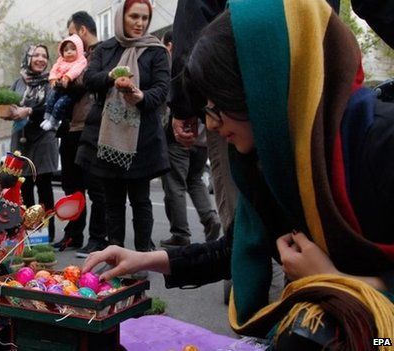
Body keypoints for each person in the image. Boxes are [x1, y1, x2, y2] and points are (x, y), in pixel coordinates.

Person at [85, 0, 394, 348]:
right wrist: (144, 259)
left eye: (218, 105)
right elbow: (231, 250)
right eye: (205, 109)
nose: (212, 124)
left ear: (267, 87)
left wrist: (332, 280)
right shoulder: (271, 159)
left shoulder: (380, 144)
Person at [77, 0, 170, 258]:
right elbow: (89, 80)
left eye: (144, 18)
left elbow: (162, 89)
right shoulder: (106, 49)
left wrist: (141, 97)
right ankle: (115, 256)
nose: (140, 24)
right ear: (121, 17)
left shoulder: (156, 51)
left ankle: (143, 254)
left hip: (142, 139)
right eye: (134, 17)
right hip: (107, 138)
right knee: (113, 202)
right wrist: (111, 77)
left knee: (141, 201)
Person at [52, 11, 108, 257]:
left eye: (72, 34)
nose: (69, 42)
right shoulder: (71, 58)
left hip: (92, 128)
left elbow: (86, 82)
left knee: (96, 187)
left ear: (82, 31)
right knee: (71, 186)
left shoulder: (104, 52)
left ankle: (98, 239)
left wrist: (65, 81)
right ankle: (74, 234)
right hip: (70, 128)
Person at [159, 30, 221, 248]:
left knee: (174, 182)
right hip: (204, 136)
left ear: (169, 45)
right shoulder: (206, 58)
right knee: (194, 179)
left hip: (181, 133)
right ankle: (210, 218)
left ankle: (180, 233)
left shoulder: (175, 65)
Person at [9, 45, 59, 242]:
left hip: (44, 140)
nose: (40, 59)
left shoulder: (51, 82)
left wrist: (28, 111)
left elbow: (50, 106)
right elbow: (9, 106)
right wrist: (10, 112)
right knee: (25, 188)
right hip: (22, 142)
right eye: (36, 55)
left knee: (44, 189)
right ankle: (30, 234)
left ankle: (47, 234)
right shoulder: (17, 83)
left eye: (44, 56)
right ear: (27, 58)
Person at [39, 34, 87, 131]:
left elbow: (76, 70)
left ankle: (54, 122)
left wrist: (67, 77)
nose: (69, 52)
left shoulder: (81, 60)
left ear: (79, 50)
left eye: (73, 49)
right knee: (51, 99)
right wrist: (53, 79)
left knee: (59, 104)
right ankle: (47, 118)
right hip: (59, 87)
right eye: (66, 50)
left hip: (70, 91)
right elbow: (53, 70)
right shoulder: (60, 61)